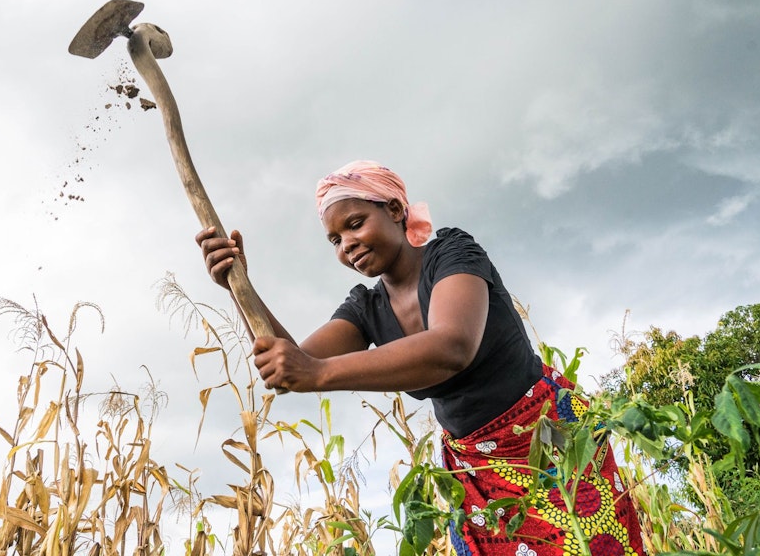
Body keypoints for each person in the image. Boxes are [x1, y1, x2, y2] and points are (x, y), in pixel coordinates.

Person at [196, 160, 644, 556]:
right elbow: (291, 365)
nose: (346, 244)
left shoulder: (451, 253)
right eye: (334, 238)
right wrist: (238, 287)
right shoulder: (365, 307)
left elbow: (451, 348)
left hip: (550, 445)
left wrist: (319, 373)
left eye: (354, 224)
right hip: (476, 469)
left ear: (394, 210)